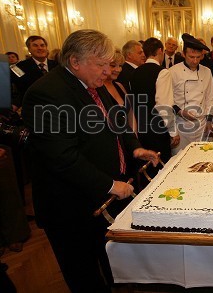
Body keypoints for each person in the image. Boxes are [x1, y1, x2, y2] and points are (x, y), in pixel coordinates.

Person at [21, 29, 159, 293]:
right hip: (70, 206)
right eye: (101, 64)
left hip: (100, 199)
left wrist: (135, 149)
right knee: (84, 275)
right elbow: (61, 157)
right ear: (75, 62)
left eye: (109, 64)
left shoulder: (91, 84)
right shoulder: (46, 93)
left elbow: (117, 123)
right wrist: (109, 184)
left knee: (112, 264)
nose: (107, 71)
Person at [129, 37, 178, 165]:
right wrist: (173, 132)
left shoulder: (135, 72)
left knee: (147, 167)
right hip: (158, 130)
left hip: (141, 129)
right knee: (162, 167)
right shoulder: (162, 72)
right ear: (160, 50)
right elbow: (164, 106)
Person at [170, 33, 213, 154]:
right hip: (181, 125)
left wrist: (210, 120)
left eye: (198, 57)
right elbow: (167, 100)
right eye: (191, 57)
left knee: (202, 157)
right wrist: (180, 111)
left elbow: (210, 98)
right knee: (180, 160)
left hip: (201, 124)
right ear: (184, 54)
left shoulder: (207, 72)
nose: (195, 60)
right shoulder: (173, 72)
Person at [10, 35, 58, 110]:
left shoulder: (57, 65)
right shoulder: (19, 67)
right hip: (33, 108)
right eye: (35, 46)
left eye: (42, 45)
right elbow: (19, 89)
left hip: (57, 106)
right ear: (29, 49)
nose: (40, 48)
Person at [103, 49, 137, 134]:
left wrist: (133, 137)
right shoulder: (98, 88)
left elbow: (131, 115)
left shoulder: (119, 86)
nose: (118, 70)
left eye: (120, 66)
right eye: (113, 66)